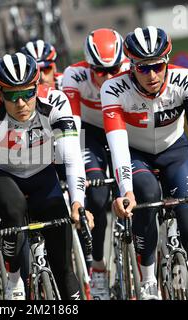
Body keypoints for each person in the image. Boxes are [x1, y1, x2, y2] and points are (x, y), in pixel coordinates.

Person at [101, 26, 188, 300]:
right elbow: (118, 146)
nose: (152, 75)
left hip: (175, 153)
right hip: (136, 155)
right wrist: (126, 190)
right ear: (131, 65)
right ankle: (148, 279)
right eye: (143, 68)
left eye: (158, 66)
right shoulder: (113, 89)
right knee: (145, 192)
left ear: (167, 61)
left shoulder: (186, 80)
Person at [0, 52, 93, 300]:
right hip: (5, 175)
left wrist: (78, 202)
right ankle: (14, 280)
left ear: (37, 87)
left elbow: (71, 157)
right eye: (12, 96)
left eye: (27, 93)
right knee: (14, 209)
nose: (21, 103)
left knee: (64, 267)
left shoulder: (57, 102)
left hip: (42, 174)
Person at [62, 28, 129, 300]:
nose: (109, 77)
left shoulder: (130, 70)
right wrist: (77, 173)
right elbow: (73, 132)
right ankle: (99, 267)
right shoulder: (73, 76)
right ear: (88, 65)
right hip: (89, 135)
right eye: (100, 71)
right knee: (98, 197)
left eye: (114, 69)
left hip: (125, 131)